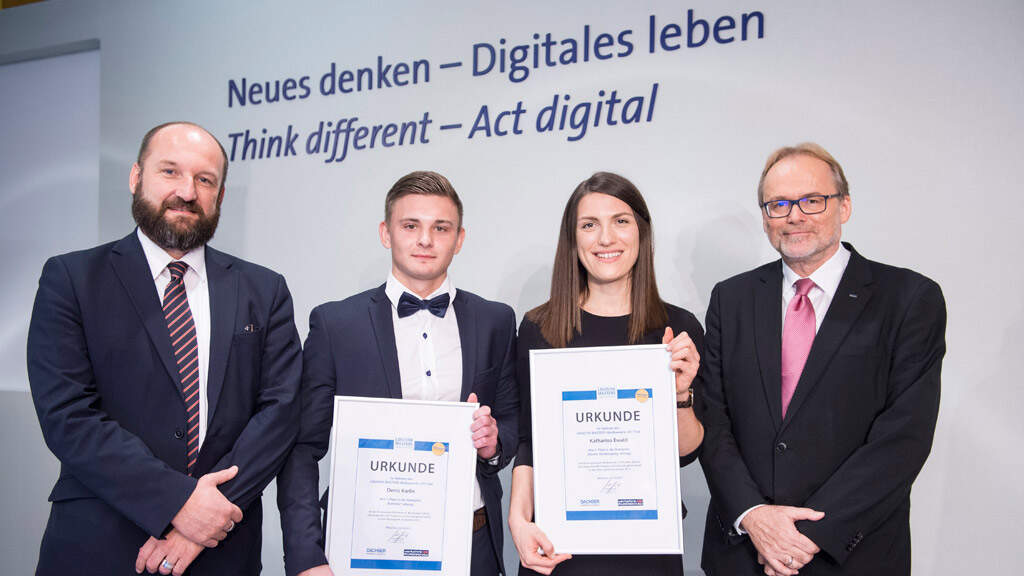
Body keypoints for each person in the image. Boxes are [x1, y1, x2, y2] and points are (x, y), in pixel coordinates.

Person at [26, 121, 303, 576]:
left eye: (204, 180)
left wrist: (207, 515)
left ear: (220, 195)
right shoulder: (71, 280)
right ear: (136, 177)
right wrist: (180, 502)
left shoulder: (264, 289)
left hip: (221, 548)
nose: (187, 192)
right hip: (98, 545)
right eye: (170, 172)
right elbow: (67, 416)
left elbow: (280, 412)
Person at [699, 143, 946, 576]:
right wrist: (754, 517)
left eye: (812, 200)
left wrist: (804, 538)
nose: (794, 215)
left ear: (844, 205)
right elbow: (713, 421)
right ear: (764, 216)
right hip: (743, 554)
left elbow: (903, 438)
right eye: (778, 204)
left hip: (850, 556)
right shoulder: (730, 299)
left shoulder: (908, 299)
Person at [276, 171, 518, 576]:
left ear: (459, 239)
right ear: (386, 233)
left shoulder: (495, 320)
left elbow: (511, 421)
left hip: (471, 545)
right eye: (411, 226)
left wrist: (494, 443)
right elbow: (302, 447)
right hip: (364, 545)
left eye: (441, 228)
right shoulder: (336, 324)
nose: (426, 240)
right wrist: (306, 556)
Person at [508, 171, 704, 576]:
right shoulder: (538, 328)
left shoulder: (678, 330)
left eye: (621, 221)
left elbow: (688, 453)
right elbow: (529, 441)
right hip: (557, 545)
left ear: (641, 232)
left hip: (647, 545)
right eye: (589, 225)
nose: (606, 239)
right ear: (573, 239)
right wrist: (518, 519)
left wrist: (681, 395)